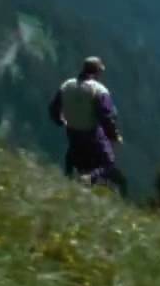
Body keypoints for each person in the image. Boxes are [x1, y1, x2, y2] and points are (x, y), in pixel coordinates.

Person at [49, 56, 123, 191]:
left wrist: (61, 121)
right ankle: (89, 178)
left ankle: (68, 179)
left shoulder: (66, 85)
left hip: (72, 132)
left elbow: (54, 108)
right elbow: (107, 116)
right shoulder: (99, 90)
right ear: (97, 72)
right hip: (92, 135)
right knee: (108, 164)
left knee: (73, 157)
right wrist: (114, 135)